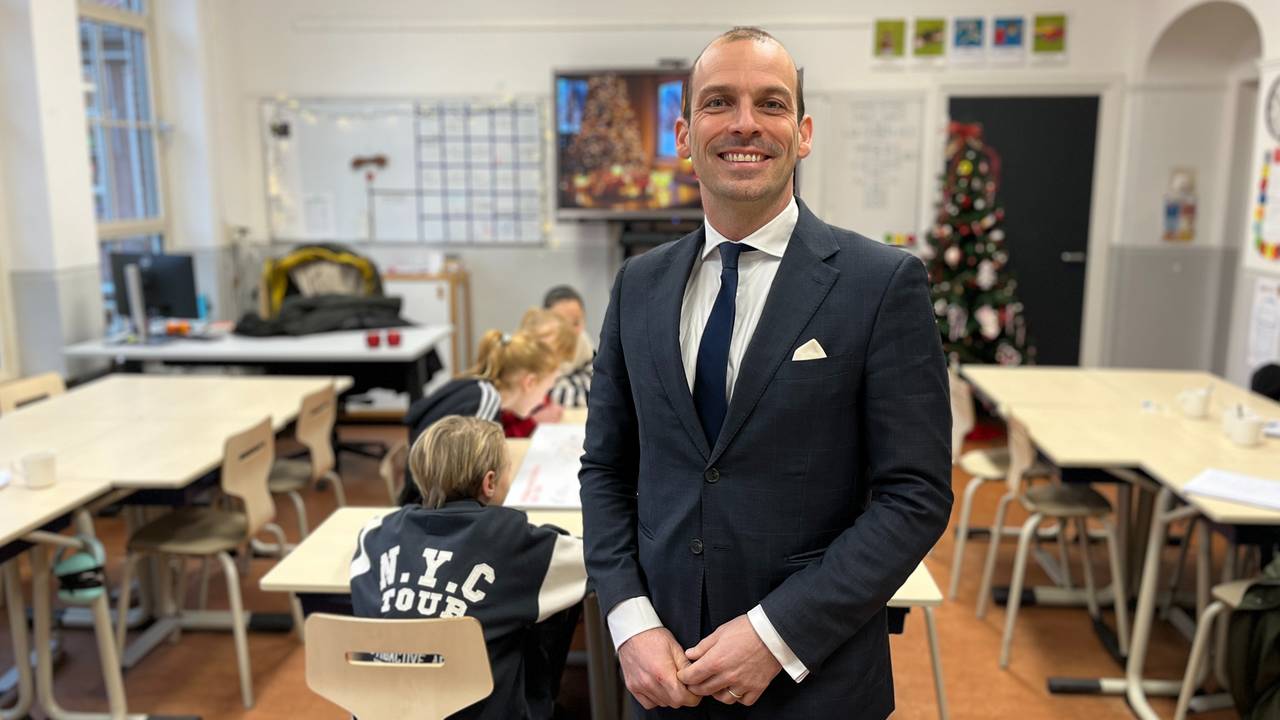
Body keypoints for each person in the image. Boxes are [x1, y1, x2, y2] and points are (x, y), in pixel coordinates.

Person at [579, 27, 952, 718]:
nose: (745, 123)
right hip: (664, 681)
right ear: (686, 134)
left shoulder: (882, 285)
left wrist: (773, 635)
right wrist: (629, 621)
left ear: (802, 133)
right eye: (720, 103)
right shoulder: (638, 286)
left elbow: (915, 496)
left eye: (771, 104)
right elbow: (605, 469)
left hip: (815, 682)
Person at [352, 416, 587, 719]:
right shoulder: (509, 537)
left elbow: (363, 576)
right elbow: (593, 559)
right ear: (489, 482)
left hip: (385, 709)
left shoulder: (376, 532)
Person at [398, 329, 559, 505]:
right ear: (529, 383)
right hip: (431, 506)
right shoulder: (485, 403)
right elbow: (473, 485)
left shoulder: (475, 386)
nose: (543, 400)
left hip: (425, 497)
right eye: (546, 390)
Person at [500, 308, 579, 437]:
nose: (556, 370)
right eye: (554, 360)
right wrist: (534, 421)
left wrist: (548, 405)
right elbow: (501, 435)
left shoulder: (531, 380)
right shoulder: (511, 382)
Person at [543, 285, 595, 408]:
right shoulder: (539, 348)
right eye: (561, 323)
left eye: (576, 322)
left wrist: (564, 384)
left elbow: (598, 385)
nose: (569, 331)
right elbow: (541, 396)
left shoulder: (583, 341)